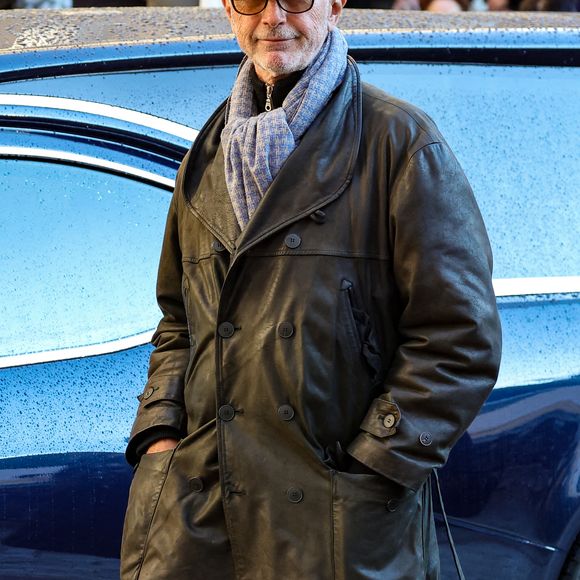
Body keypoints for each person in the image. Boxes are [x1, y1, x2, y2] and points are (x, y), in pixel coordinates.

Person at [120, 1, 502, 578]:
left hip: (335, 529)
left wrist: (371, 467)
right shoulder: (209, 150)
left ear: (335, 3)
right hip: (198, 524)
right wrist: (161, 438)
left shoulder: (399, 142)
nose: (273, 17)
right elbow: (179, 320)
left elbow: (460, 338)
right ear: (228, 9)